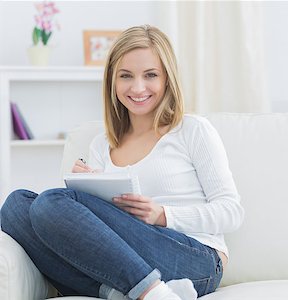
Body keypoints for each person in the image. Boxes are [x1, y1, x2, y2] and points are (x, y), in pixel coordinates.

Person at [0, 24, 244, 300]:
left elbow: (231, 211)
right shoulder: (101, 145)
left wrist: (163, 215)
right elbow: (95, 234)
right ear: (112, 82)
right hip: (126, 257)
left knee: (50, 202)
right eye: (126, 76)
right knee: (15, 206)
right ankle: (122, 290)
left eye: (150, 75)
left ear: (167, 79)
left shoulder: (192, 130)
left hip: (195, 258)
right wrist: (86, 189)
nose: (138, 88)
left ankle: (150, 293)